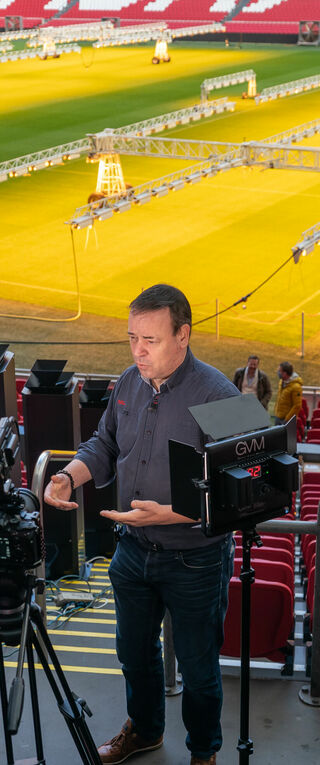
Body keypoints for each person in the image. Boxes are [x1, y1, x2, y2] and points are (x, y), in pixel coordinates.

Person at [44, 284, 240, 765]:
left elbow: (257, 482)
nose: (138, 350)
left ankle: (203, 752)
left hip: (195, 557)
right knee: (133, 655)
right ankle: (146, 731)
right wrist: (70, 476)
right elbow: (104, 444)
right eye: (133, 337)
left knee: (197, 669)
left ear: (184, 335)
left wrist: (174, 513)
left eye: (150, 339)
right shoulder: (128, 382)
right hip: (132, 549)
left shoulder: (218, 392)